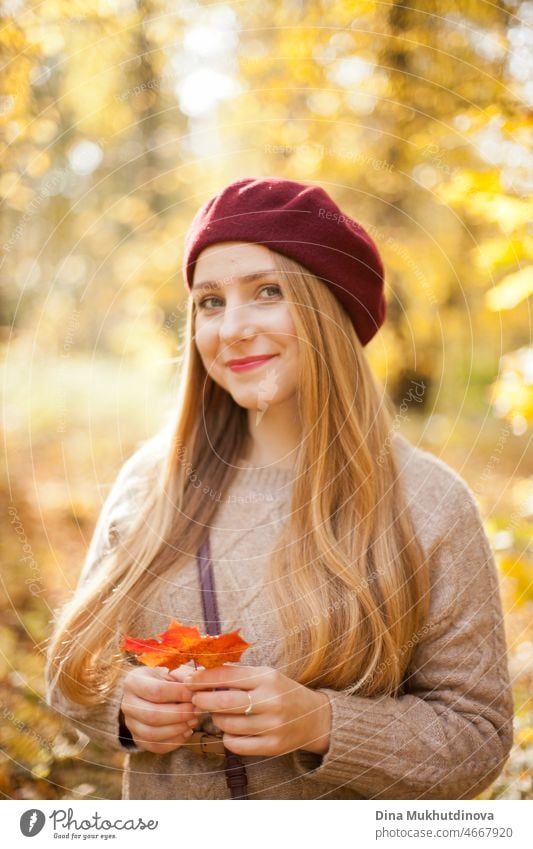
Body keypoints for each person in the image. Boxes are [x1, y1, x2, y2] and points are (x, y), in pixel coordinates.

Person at [45, 176, 513, 800]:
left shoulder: (429, 505)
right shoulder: (148, 483)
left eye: (267, 292)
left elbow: (476, 740)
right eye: (210, 301)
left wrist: (324, 723)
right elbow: (74, 674)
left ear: (331, 312)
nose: (231, 327)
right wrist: (123, 710)